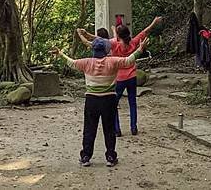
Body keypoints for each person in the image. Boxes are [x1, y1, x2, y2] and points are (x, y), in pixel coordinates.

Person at [53, 36, 149, 167]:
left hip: (91, 100)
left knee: (89, 128)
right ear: (106, 50)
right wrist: (140, 49)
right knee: (109, 128)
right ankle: (110, 156)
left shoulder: (86, 62)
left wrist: (60, 54)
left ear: (93, 50)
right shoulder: (113, 61)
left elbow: (72, 63)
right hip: (109, 99)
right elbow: (128, 60)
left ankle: (86, 156)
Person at [78, 16, 162, 136]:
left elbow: (99, 40)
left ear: (117, 35)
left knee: (114, 104)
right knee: (132, 103)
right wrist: (154, 22)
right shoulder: (133, 42)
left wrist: (85, 34)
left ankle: (117, 129)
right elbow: (146, 31)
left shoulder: (113, 43)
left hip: (119, 78)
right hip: (132, 76)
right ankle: (133, 127)